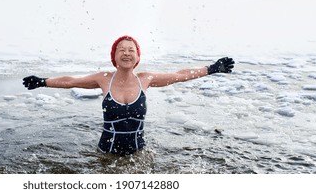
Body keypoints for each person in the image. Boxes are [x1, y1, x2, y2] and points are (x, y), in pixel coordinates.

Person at [22, 35, 234, 156]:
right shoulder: (104, 79)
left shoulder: (145, 79)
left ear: (137, 57)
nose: (126, 53)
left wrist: (211, 68)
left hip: (139, 155)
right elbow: (71, 81)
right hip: (105, 153)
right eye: (121, 50)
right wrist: (43, 81)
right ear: (114, 56)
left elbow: (179, 75)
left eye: (131, 50)